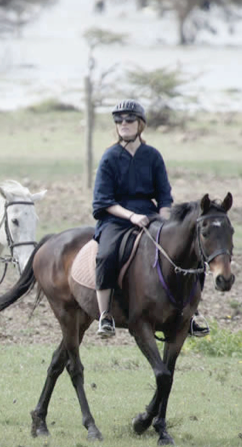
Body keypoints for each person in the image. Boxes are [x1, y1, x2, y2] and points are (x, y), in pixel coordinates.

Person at [92, 99, 209, 338]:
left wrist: (166, 219)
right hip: (116, 219)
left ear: (140, 124)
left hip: (151, 216)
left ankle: (193, 311)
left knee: (192, 250)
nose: (123, 124)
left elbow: (164, 196)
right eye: (119, 120)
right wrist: (132, 216)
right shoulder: (109, 157)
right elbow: (103, 201)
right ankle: (105, 315)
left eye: (129, 119)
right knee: (106, 255)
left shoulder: (152, 156)